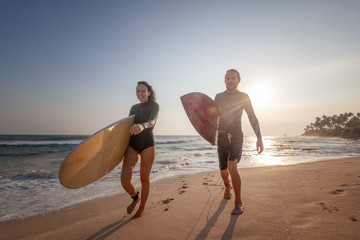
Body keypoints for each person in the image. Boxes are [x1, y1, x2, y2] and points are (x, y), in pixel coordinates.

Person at [214, 69, 263, 215]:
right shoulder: (218, 97)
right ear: (224, 80)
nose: (230, 81)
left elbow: (252, 117)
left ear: (238, 80)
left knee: (232, 167)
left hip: (236, 136)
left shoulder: (243, 97)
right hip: (221, 137)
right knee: (223, 171)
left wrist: (259, 138)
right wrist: (210, 136)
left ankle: (238, 203)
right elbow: (212, 117)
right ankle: (227, 187)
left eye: (233, 78)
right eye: (227, 78)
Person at [121, 81, 159, 218]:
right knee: (124, 180)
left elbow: (152, 121)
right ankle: (136, 198)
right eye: (138, 91)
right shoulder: (134, 108)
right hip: (133, 143)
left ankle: (141, 208)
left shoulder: (154, 106)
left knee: (144, 178)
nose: (140, 94)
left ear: (149, 92)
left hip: (148, 143)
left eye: (143, 91)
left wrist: (142, 126)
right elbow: (126, 127)